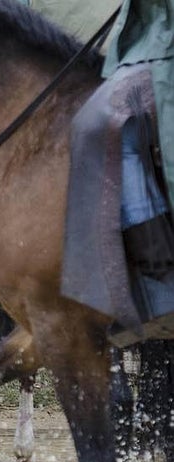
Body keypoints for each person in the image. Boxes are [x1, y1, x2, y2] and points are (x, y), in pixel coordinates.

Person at [64, 0, 174, 346]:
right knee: (90, 121)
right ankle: (142, 287)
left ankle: (159, 276)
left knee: (111, 124)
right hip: (147, 43)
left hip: (161, 50)